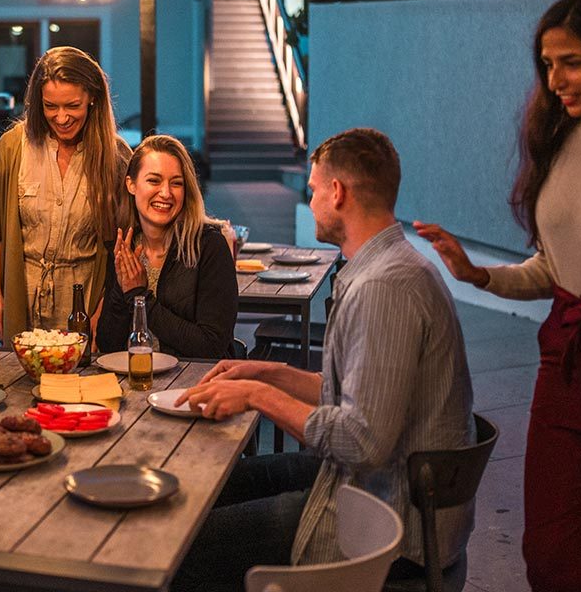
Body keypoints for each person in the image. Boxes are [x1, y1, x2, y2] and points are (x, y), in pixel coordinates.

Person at [414, 0, 581, 592]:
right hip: (567, 363)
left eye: (571, 63)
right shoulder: (559, 142)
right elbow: (556, 268)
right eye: (548, 65)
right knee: (548, 553)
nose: (554, 81)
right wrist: (476, 274)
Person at [171, 128, 475, 592]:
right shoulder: (384, 265)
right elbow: (351, 396)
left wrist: (257, 395)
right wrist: (266, 371)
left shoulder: (384, 288)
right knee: (215, 483)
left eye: (312, 190)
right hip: (369, 483)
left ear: (338, 192)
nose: (310, 200)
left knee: (182, 547)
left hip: (388, 520)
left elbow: (362, 442)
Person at [0, 46, 131, 344]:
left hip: (83, 301)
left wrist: (104, 310)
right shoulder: (12, 148)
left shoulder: (116, 157)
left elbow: (126, 245)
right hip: (21, 296)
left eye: (72, 106)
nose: (61, 118)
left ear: (92, 99)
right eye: (50, 106)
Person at [95, 134, 238, 358]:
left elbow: (211, 346)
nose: (166, 193)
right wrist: (119, 292)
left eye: (176, 183)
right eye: (154, 180)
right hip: (135, 380)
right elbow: (108, 345)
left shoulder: (209, 246)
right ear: (131, 184)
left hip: (192, 383)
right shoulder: (125, 246)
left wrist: (139, 297)